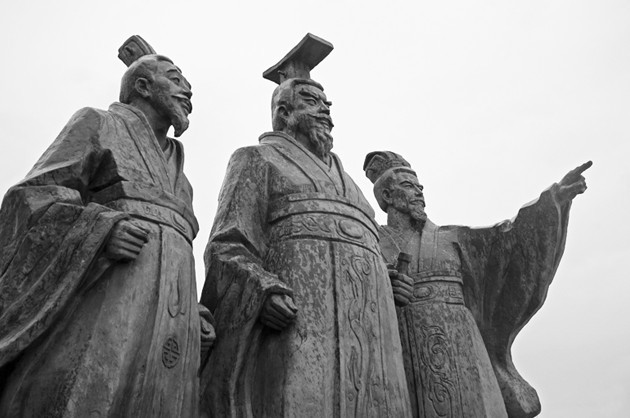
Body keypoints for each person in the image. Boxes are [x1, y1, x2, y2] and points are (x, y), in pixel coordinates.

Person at [0, 36, 214, 417]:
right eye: (175, 78)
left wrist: (193, 309)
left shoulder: (182, 178)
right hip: (107, 307)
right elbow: (30, 197)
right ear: (143, 86)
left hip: (169, 328)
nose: (188, 89)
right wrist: (98, 230)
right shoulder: (99, 123)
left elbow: (177, 250)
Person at [200, 34, 412, 417]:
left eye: (327, 104)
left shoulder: (351, 186)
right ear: (284, 113)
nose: (326, 112)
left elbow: (369, 252)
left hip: (371, 339)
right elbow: (227, 246)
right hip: (300, 327)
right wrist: (261, 290)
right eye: (312, 102)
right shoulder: (257, 160)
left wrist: (387, 278)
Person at [363, 151, 590, 418]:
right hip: (400, 351)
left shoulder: (452, 238)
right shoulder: (370, 243)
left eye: (420, 187)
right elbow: (355, 286)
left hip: (460, 347)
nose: (418, 192)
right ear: (387, 196)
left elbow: (509, 240)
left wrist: (555, 199)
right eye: (408, 186)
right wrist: (383, 285)